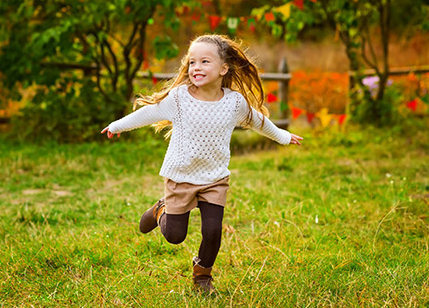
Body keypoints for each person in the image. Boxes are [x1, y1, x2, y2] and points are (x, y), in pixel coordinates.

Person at [102, 34, 302, 294]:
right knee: (175, 236)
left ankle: (202, 277)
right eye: (192, 62)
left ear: (223, 68)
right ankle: (161, 209)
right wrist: (118, 126)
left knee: (212, 231)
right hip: (181, 176)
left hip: (214, 178)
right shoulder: (179, 99)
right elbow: (148, 113)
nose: (196, 67)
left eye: (205, 61)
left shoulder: (234, 102)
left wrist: (284, 136)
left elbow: (257, 121)